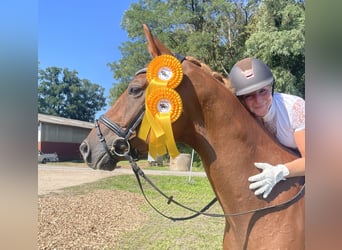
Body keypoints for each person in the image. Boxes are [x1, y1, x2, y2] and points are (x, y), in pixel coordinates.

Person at [229, 57, 305, 199]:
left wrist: (279, 171)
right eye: (249, 96)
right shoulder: (246, 116)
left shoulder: (295, 108)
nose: (258, 101)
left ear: (271, 87)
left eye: (262, 91)